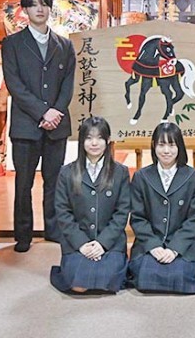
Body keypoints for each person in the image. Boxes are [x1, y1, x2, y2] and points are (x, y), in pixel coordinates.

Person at [2, 0, 76, 252]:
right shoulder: (12, 44)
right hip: (26, 125)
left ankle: (53, 229)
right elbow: (15, 84)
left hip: (57, 125)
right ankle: (23, 235)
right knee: (23, 182)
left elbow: (67, 85)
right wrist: (43, 112)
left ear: (50, 8)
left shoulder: (64, 45)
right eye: (33, 5)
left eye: (44, 4)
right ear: (25, 10)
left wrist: (55, 111)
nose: (40, 9)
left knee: (54, 182)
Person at [50, 117, 131, 294]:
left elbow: (122, 213)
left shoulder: (120, 172)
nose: (94, 143)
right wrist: (82, 244)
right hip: (77, 243)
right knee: (79, 285)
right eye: (89, 138)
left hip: (110, 243)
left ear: (108, 140)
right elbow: (63, 213)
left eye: (100, 138)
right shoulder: (67, 172)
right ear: (81, 141)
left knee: (107, 282)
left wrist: (102, 243)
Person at [128, 122, 195, 294]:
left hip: (183, 246)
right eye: (161, 145)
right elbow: (138, 218)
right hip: (150, 244)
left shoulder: (194, 177)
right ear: (153, 146)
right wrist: (154, 246)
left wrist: (175, 249)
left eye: (171, 145)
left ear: (180, 147)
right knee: (146, 276)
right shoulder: (141, 177)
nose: (166, 151)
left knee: (180, 275)